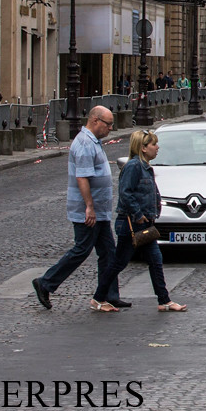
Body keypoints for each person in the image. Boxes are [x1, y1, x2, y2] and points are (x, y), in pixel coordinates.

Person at [32, 106, 126, 310]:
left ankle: (109, 294)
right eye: (108, 124)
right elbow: (82, 177)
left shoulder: (94, 142)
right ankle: (46, 282)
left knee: (109, 252)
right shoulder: (84, 143)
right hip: (88, 211)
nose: (111, 128)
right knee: (82, 249)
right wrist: (89, 206)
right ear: (95, 121)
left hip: (99, 211)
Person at [94, 130, 186, 313]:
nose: (157, 147)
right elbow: (125, 193)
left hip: (145, 223)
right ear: (143, 148)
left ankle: (164, 300)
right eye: (153, 144)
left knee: (155, 260)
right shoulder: (134, 167)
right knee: (119, 263)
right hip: (131, 223)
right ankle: (98, 298)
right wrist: (138, 214)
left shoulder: (144, 166)